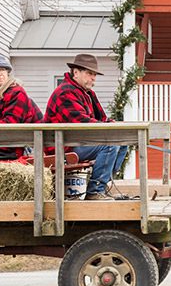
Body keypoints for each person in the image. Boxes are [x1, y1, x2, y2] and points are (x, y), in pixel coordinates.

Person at [44, 53, 126, 201]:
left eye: (94, 74)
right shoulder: (66, 92)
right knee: (110, 144)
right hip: (63, 146)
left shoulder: (87, 93)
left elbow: (100, 119)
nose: (93, 78)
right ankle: (95, 191)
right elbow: (82, 123)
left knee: (122, 143)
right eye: (89, 73)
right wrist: (107, 127)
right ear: (76, 72)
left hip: (78, 142)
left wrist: (111, 125)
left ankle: (101, 185)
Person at [0, 55, 42, 161]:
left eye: (2, 70)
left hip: (10, 151)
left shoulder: (17, 93)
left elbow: (11, 123)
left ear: (7, 73)